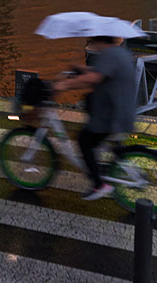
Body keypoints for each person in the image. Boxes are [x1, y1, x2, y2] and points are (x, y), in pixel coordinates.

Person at [52, 34, 139, 200]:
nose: (91, 44)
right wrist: (80, 69)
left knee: (84, 141)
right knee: (100, 142)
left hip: (113, 117)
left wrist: (64, 84)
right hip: (119, 111)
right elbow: (99, 74)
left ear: (100, 41)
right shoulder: (117, 53)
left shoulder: (109, 55)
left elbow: (94, 78)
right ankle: (105, 166)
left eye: (91, 41)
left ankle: (99, 185)